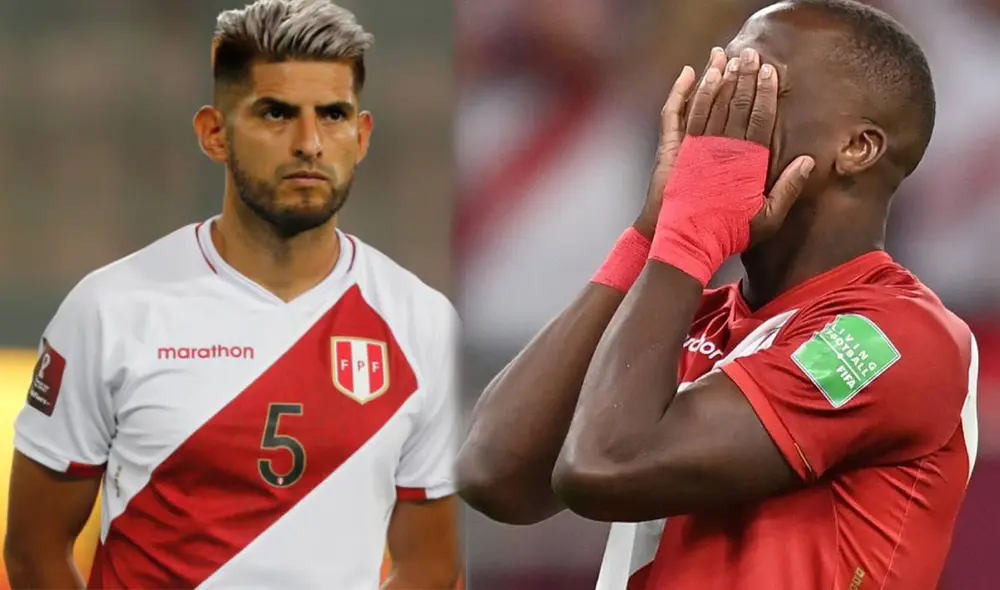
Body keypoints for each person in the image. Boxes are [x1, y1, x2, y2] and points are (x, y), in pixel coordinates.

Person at [457, 1, 979, 588]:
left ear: (857, 146)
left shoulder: (894, 336)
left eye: (755, 89)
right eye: (718, 81)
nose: (717, 119)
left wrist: (691, 233)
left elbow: (607, 465)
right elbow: (493, 474)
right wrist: (652, 232)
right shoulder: (684, 316)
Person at [5, 1, 460, 588]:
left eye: (333, 115)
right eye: (276, 113)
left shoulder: (421, 323)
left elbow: (431, 565)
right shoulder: (110, 312)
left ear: (362, 135)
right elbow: (33, 552)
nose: (309, 143)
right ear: (214, 134)